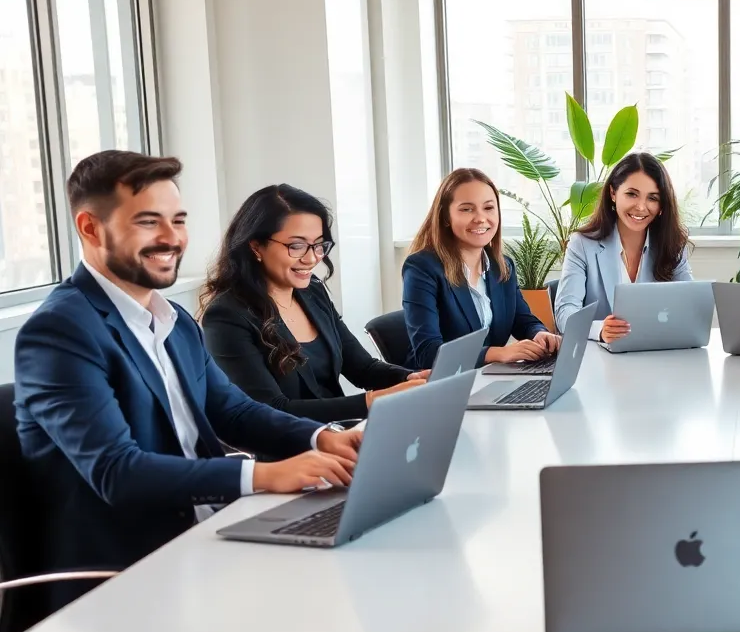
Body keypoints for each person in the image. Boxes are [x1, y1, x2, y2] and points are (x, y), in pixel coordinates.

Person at [13, 151, 363, 607]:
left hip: (210, 535)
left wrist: (321, 438)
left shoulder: (173, 319)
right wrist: (263, 475)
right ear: (90, 228)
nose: (171, 237)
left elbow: (233, 410)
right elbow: (118, 472)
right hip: (129, 571)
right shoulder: (60, 332)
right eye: (147, 222)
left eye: (178, 220)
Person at [200, 184, 428, 424]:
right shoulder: (227, 316)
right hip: (294, 451)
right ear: (256, 247)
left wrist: (415, 379)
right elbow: (271, 411)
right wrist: (373, 401)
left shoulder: (312, 291)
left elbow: (363, 368)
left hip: (344, 434)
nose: (311, 258)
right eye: (296, 246)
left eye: (318, 245)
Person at [402, 168, 560, 369]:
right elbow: (428, 353)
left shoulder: (502, 266)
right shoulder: (422, 268)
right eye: (467, 209)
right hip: (441, 386)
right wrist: (497, 353)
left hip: (486, 379)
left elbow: (522, 320)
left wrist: (539, 334)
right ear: (445, 217)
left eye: (488, 208)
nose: (480, 218)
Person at [554, 152, 692, 342]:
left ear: (662, 204)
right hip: (600, 361)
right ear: (613, 193)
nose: (641, 207)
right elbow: (565, 313)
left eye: (652, 198)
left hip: (657, 356)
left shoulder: (673, 244)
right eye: (631, 194)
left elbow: (691, 305)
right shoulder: (582, 244)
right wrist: (600, 329)